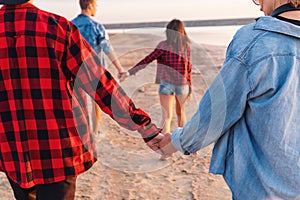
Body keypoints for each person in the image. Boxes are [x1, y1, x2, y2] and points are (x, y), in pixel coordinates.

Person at [0, 0, 163, 199]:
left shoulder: (63, 26)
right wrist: (144, 126)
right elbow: (101, 85)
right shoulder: (57, 28)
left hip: (11, 150)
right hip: (59, 151)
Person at [158, 0, 300, 199]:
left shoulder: (255, 41)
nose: (259, 6)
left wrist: (176, 142)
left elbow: (217, 111)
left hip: (264, 189)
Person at [120, 19, 192, 135]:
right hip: (182, 84)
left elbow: (148, 59)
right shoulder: (186, 46)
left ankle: (165, 152)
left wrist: (129, 72)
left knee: (167, 117)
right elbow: (189, 68)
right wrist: (190, 87)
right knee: (181, 114)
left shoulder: (163, 45)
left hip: (166, 84)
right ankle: (183, 144)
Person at [71, 0, 125, 135]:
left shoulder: (70, 24)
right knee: (96, 102)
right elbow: (107, 48)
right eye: (95, 5)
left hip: (74, 69)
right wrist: (119, 68)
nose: (96, 8)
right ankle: (94, 131)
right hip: (94, 70)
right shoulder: (96, 26)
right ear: (89, 6)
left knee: (78, 102)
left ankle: (82, 131)